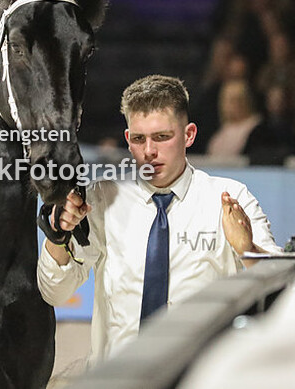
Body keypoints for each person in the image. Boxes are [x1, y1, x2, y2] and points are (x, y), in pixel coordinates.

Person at [36, 75, 279, 366]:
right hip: (117, 378)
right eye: (139, 139)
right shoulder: (100, 200)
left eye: (162, 137)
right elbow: (54, 292)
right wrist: (58, 239)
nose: (149, 151)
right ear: (127, 140)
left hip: (199, 377)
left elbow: (278, 291)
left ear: (189, 135)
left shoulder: (229, 199)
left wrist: (247, 249)